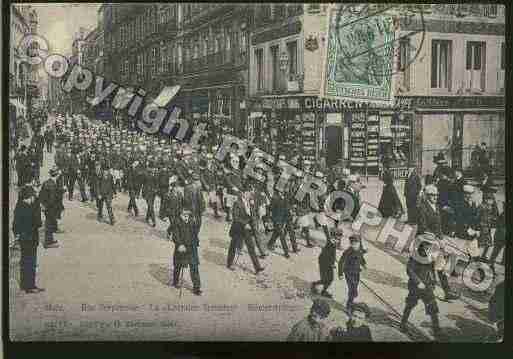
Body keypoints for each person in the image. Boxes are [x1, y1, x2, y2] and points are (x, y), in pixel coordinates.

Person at [416, 185, 459, 301]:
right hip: (426, 241)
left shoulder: (436, 207)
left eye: (436, 195)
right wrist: (436, 240)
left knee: (440, 265)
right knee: (428, 267)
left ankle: (447, 291)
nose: (435, 197)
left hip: (436, 241)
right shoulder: (422, 208)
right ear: (427, 196)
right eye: (432, 195)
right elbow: (423, 227)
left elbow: (438, 226)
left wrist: (442, 238)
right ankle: (428, 288)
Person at [400, 236, 444, 340]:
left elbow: (432, 271)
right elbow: (409, 270)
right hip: (415, 287)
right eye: (426, 245)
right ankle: (403, 323)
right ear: (422, 244)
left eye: (430, 245)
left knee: (433, 307)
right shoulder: (415, 256)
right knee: (410, 304)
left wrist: (433, 283)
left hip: (427, 287)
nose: (428, 247)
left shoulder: (431, 257)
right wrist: (418, 282)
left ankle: (436, 330)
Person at [12, 185, 45, 293]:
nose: (32, 199)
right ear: (27, 197)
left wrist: (18, 234)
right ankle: (30, 286)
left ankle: (25, 284)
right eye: (31, 197)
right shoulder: (29, 207)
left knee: (26, 262)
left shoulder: (20, 205)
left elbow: (15, 225)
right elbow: (38, 223)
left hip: (25, 239)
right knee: (30, 262)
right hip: (29, 239)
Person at [227, 185, 265, 274]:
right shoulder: (237, 203)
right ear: (243, 193)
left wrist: (253, 223)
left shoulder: (250, 203)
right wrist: (245, 224)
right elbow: (235, 218)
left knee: (251, 247)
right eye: (248, 193)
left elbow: (252, 215)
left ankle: (257, 267)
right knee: (233, 246)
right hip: (238, 228)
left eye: (250, 193)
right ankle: (229, 263)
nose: (250, 195)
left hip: (247, 229)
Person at [171, 209, 202, 296]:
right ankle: (175, 281)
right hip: (182, 248)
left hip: (192, 248)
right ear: (180, 214)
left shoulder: (192, 221)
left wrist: (196, 240)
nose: (186, 216)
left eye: (187, 214)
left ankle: (197, 287)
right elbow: (175, 235)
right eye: (184, 214)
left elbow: (195, 232)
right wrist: (179, 244)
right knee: (178, 265)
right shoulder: (177, 222)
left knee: (194, 267)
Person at [311, 227, 343, 298]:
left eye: (339, 238)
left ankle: (318, 287)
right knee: (327, 279)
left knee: (329, 279)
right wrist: (331, 263)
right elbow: (325, 255)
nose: (339, 239)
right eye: (338, 237)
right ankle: (319, 288)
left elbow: (331, 254)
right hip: (324, 263)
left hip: (328, 263)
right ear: (334, 236)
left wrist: (333, 260)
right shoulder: (330, 243)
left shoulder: (333, 243)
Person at [338, 235, 367, 312]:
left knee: (355, 287)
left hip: (357, 272)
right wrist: (340, 273)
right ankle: (348, 306)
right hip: (349, 273)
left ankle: (351, 299)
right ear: (350, 244)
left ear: (359, 243)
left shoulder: (359, 250)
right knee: (352, 289)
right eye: (353, 244)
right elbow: (341, 262)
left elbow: (361, 258)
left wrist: (364, 264)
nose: (355, 245)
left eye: (356, 243)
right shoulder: (348, 252)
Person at [267, 190, 298, 258]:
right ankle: (286, 252)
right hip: (277, 219)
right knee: (282, 235)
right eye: (281, 191)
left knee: (277, 233)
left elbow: (287, 207)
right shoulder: (275, 198)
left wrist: (290, 214)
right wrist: (271, 219)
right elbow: (270, 209)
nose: (282, 192)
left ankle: (270, 244)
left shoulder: (286, 197)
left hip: (285, 218)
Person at [38, 167, 61, 248]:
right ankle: (48, 242)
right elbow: (52, 200)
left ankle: (50, 240)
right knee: (49, 225)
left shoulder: (46, 182)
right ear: (57, 175)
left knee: (49, 223)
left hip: (46, 207)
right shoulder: (53, 185)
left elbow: (40, 195)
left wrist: (42, 205)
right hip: (50, 208)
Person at [184, 171, 206, 246]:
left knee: (198, 225)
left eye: (198, 180)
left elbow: (202, 199)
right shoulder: (187, 188)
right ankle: (193, 239)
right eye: (196, 180)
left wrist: (203, 208)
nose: (198, 182)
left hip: (198, 210)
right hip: (191, 210)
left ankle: (194, 237)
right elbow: (186, 200)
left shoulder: (199, 188)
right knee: (191, 225)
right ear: (192, 180)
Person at [159, 176, 184, 241]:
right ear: (172, 188)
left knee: (175, 224)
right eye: (175, 187)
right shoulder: (168, 195)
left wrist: (182, 210)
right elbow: (164, 205)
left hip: (178, 211)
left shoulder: (180, 194)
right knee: (174, 224)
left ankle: (168, 231)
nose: (177, 188)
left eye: (177, 187)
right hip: (170, 212)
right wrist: (163, 215)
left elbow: (182, 203)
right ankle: (175, 238)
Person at [478, 186, 499, 262]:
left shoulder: (491, 201)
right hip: (484, 226)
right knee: (483, 242)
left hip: (489, 225)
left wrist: (493, 219)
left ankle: (483, 256)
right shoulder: (483, 204)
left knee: (488, 242)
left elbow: (495, 213)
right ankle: (480, 256)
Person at [488, 206, 505, 274]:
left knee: (495, 253)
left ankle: (490, 267)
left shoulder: (502, 214)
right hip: (500, 237)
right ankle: (490, 267)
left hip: (500, 236)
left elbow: (497, 223)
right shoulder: (503, 215)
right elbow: (498, 224)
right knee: (495, 253)